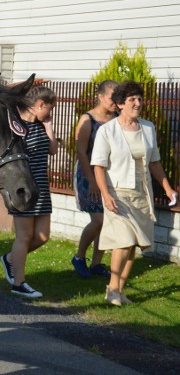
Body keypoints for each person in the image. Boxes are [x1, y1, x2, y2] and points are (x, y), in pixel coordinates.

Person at [91, 81, 177, 306]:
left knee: (134, 245)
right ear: (120, 104)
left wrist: (168, 188)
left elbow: (155, 163)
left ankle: (120, 290)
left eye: (139, 99)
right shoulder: (107, 131)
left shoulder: (148, 128)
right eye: (132, 100)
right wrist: (106, 194)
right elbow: (98, 166)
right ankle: (111, 288)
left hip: (142, 194)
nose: (138, 103)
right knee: (123, 240)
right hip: (117, 192)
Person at [1, 84, 58, 298]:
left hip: (42, 187)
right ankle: (19, 283)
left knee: (42, 236)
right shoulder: (17, 127)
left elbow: (52, 150)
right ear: (40, 104)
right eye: (49, 108)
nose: (50, 113)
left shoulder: (42, 126)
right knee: (24, 237)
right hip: (23, 189)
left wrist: (50, 127)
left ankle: (9, 260)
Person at [71, 79, 118, 278]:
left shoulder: (118, 119)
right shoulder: (87, 119)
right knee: (98, 220)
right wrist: (91, 180)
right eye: (112, 97)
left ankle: (97, 264)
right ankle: (79, 257)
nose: (116, 102)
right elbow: (81, 152)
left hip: (110, 175)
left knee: (108, 221)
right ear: (100, 96)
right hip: (87, 174)